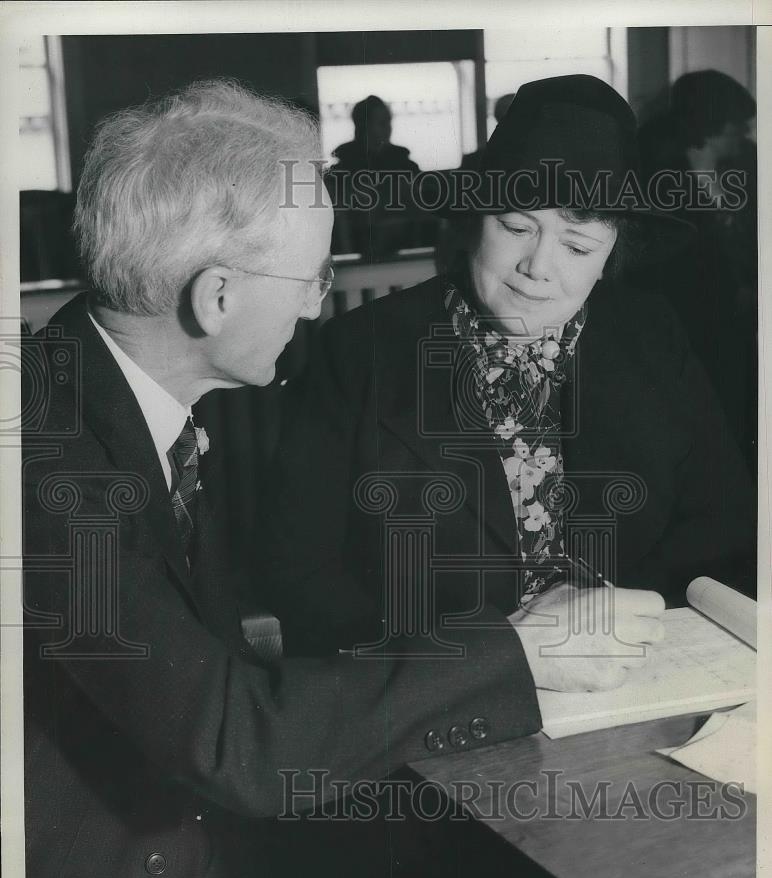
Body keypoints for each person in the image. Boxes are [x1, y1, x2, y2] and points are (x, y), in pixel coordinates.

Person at [21, 78, 655, 878]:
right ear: (218, 298)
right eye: (314, 274)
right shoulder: (42, 467)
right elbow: (233, 739)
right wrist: (513, 648)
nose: (323, 303)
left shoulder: (99, 393)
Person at [260, 74, 754, 660]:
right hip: (442, 702)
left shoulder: (650, 334)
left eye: (577, 246)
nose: (538, 267)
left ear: (612, 254)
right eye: (517, 227)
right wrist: (480, 664)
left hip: (632, 675)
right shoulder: (358, 351)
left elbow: (723, 524)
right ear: (474, 219)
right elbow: (301, 579)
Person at [635, 70, 757, 471]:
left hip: (737, 320)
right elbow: (656, 257)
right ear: (712, 123)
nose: (744, 133)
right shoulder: (656, 169)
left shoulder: (750, 166)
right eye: (737, 125)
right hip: (683, 319)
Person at [325, 95, 422, 258]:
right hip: (358, 254)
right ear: (362, 126)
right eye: (381, 123)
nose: (388, 128)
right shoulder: (343, 168)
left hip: (406, 249)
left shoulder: (404, 164)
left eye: (388, 122)